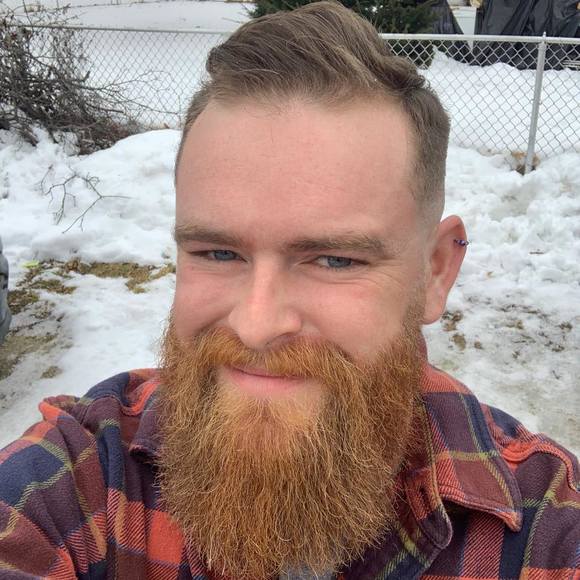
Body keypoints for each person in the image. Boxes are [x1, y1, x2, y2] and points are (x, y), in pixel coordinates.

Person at [0, 2, 578, 579]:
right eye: (218, 253)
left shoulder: (547, 527)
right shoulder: (78, 479)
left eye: (334, 259)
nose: (256, 324)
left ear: (434, 273)